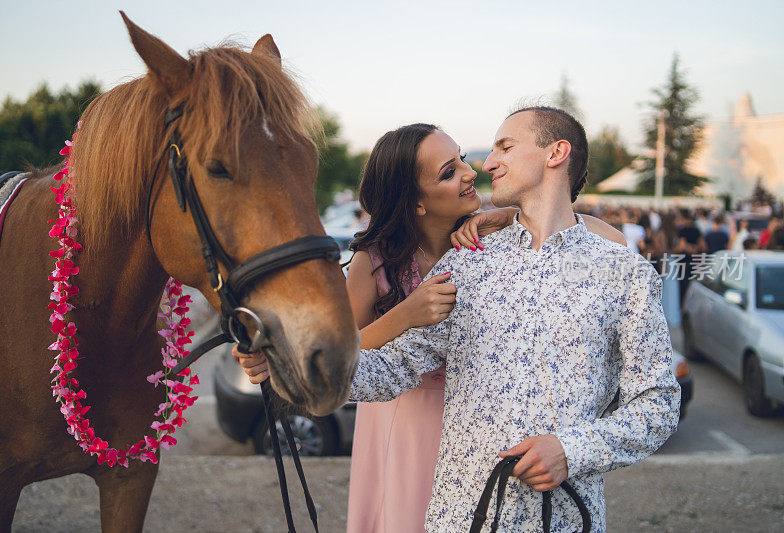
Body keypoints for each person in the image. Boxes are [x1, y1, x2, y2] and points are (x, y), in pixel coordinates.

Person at [240, 107, 678, 531]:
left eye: (504, 147)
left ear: (555, 154)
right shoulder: (468, 263)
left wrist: (573, 450)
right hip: (459, 517)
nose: (485, 165)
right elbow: (393, 366)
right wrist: (287, 363)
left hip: (564, 517)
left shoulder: (624, 273)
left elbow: (658, 404)